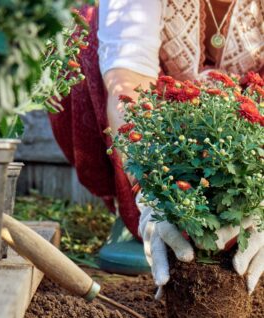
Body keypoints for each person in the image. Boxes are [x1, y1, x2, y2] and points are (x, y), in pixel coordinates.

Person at [49, 0, 264, 295]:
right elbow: (128, 89)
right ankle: (131, 214)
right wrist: (150, 195)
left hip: (247, 147)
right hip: (166, 136)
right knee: (81, 35)